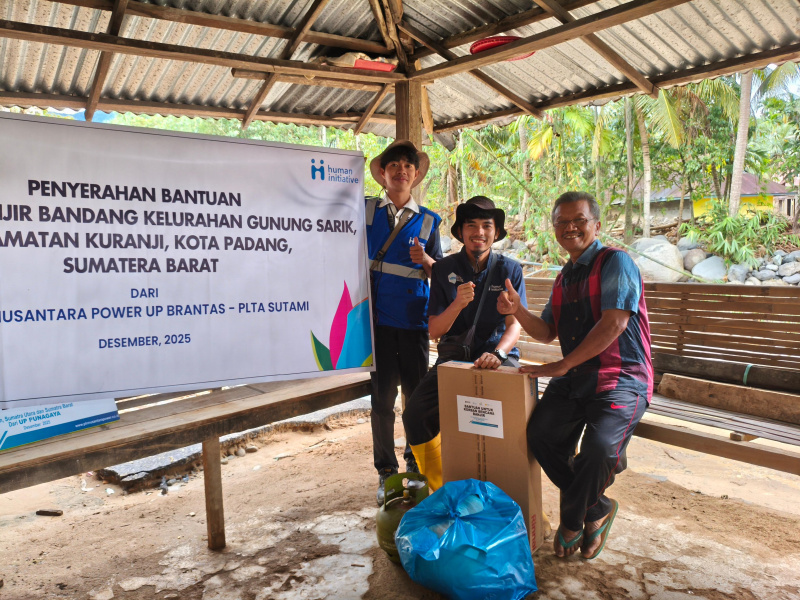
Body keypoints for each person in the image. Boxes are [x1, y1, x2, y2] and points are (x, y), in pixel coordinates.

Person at [497, 191, 652, 560]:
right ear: (554, 229)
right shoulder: (564, 277)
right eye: (562, 222)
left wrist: (563, 365)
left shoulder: (616, 262)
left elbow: (614, 324)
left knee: (597, 451)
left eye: (579, 220)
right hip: (578, 376)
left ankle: (572, 519)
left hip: (622, 374)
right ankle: (596, 509)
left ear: (596, 224)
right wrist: (517, 309)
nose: (570, 228)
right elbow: (547, 331)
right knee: (540, 435)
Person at [402, 196, 526, 491]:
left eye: (487, 225)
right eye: (471, 225)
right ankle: (443, 487)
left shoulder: (510, 270)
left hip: (498, 358)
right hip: (454, 359)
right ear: (461, 232)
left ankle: (514, 492)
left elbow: (514, 326)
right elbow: (433, 330)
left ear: (496, 233)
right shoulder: (445, 269)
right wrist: (457, 304)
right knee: (415, 415)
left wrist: (498, 353)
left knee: (512, 423)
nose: (479, 232)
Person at [366, 140, 443, 506]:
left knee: (415, 402)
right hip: (376, 326)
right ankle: (385, 471)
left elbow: (441, 276)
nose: (400, 171)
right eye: (392, 165)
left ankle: (415, 465)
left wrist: (426, 260)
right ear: (383, 173)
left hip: (414, 327)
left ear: (415, 174)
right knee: (381, 402)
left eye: (407, 166)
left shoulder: (429, 221)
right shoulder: (364, 211)